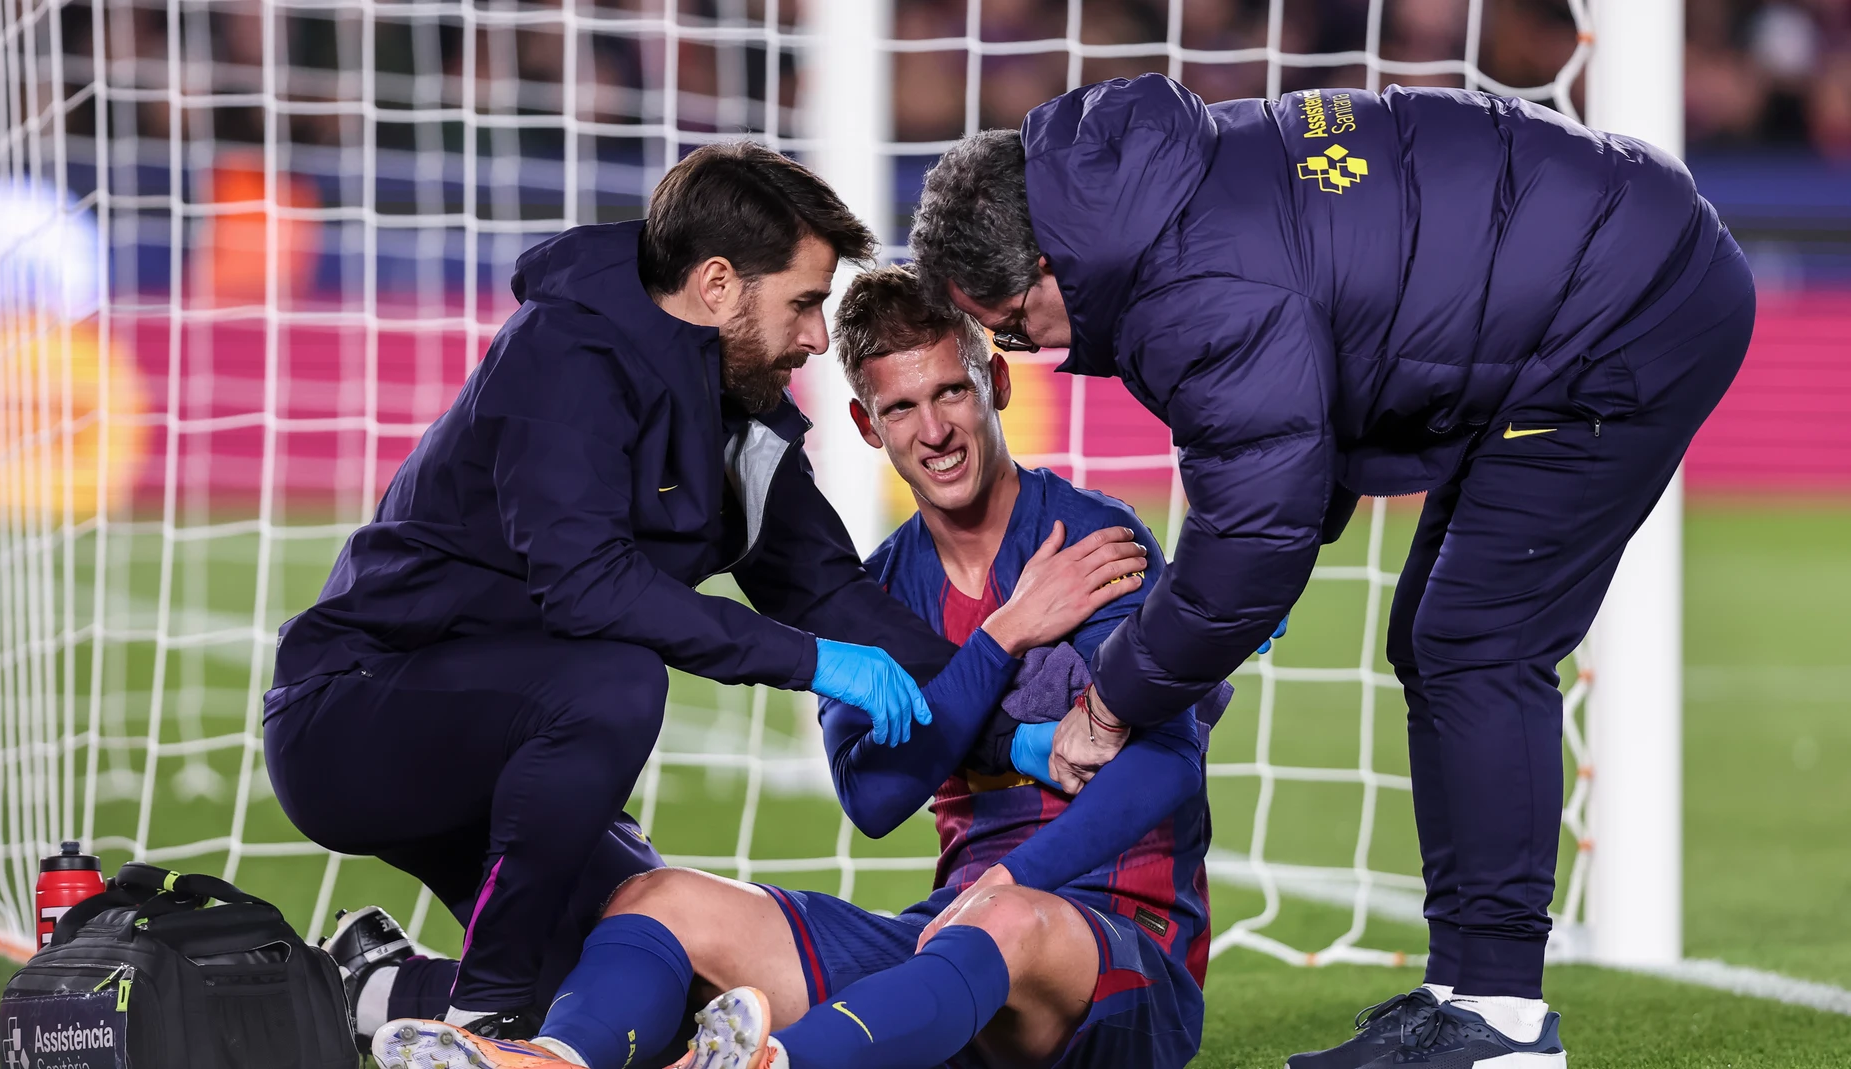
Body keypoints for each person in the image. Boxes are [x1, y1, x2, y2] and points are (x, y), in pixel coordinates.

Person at [909, 74, 1756, 1069]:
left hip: (1624, 308)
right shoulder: (1143, 185)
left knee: (1473, 643)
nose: (1024, 349)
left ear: (1049, 266)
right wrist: (1221, 608)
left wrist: (1114, 701)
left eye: (1010, 323)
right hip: (1593, 259)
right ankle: (1468, 1000)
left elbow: (1251, 537)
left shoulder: (1184, 292)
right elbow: (1319, 399)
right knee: (1437, 640)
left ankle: (1500, 1025)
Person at [264, 143, 1143, 1041]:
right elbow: (587, 586)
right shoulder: (564, 354)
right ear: (718, 284)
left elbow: (832, 594)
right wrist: (813, 664)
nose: (813, 337)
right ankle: (484, 1012)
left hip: (503, 753)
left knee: (648, 968)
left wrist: (1014, 734)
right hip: (357, 716)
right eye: (803, 303)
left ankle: (368, 986)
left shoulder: (742, 418)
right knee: (616, 681)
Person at [365, 264, 1224, 1069]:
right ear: (865, 424)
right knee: (657, 898)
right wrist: (999, 641)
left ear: (996, 385)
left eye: (952, 391)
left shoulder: (1095, 543)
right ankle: (557, 1059)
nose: (934, 431)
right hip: (947, 954)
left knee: (1002, 919)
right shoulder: (872, 591)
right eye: (901, 407)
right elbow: (875, 798)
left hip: (1115, 954)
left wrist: (1007, 877)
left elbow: (1164, 763)